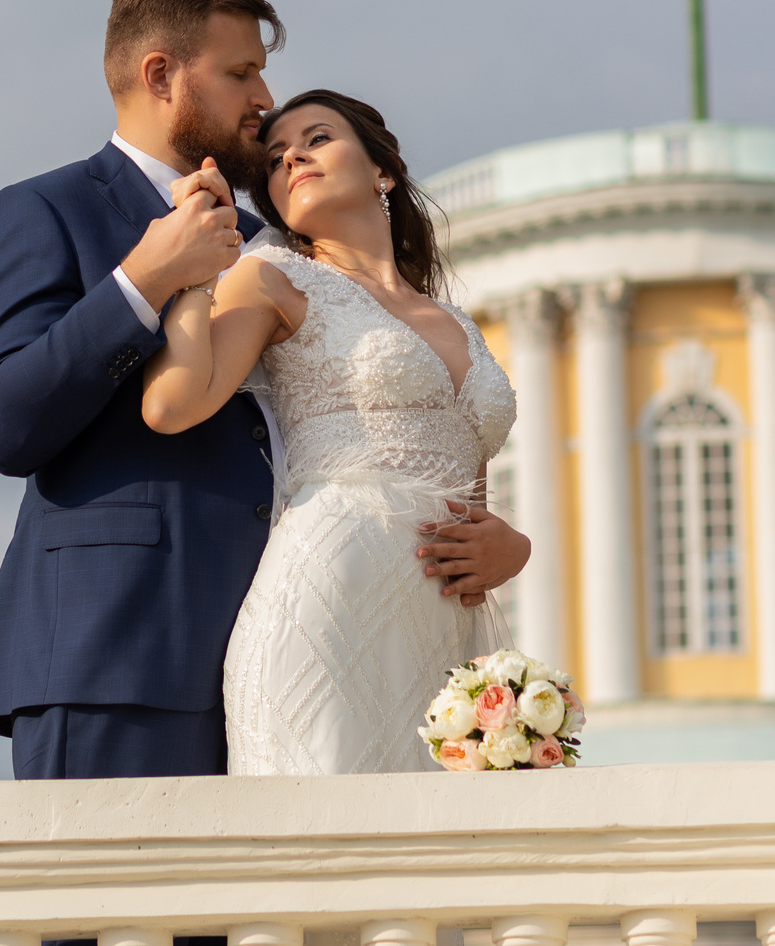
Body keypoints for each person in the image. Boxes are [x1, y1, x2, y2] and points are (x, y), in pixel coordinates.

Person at [0, 0, 526, 779]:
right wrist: (143, 279)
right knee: (120, 911)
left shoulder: (285, 245)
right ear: (162, 75)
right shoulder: (49, 209)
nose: (265, 96)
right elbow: (4, 420)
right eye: (240, 71)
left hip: (311, 633)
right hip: (120, 653)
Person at [140, 90, 516, 774]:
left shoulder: (458, 322)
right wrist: (197, 274)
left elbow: (471, 500)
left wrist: (510, 547)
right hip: (328, 596)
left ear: (384, 172)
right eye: (277, 158)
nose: (294, 158)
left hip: (443, 625)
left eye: (317, 138)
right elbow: (172, 402)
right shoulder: (273, 277)